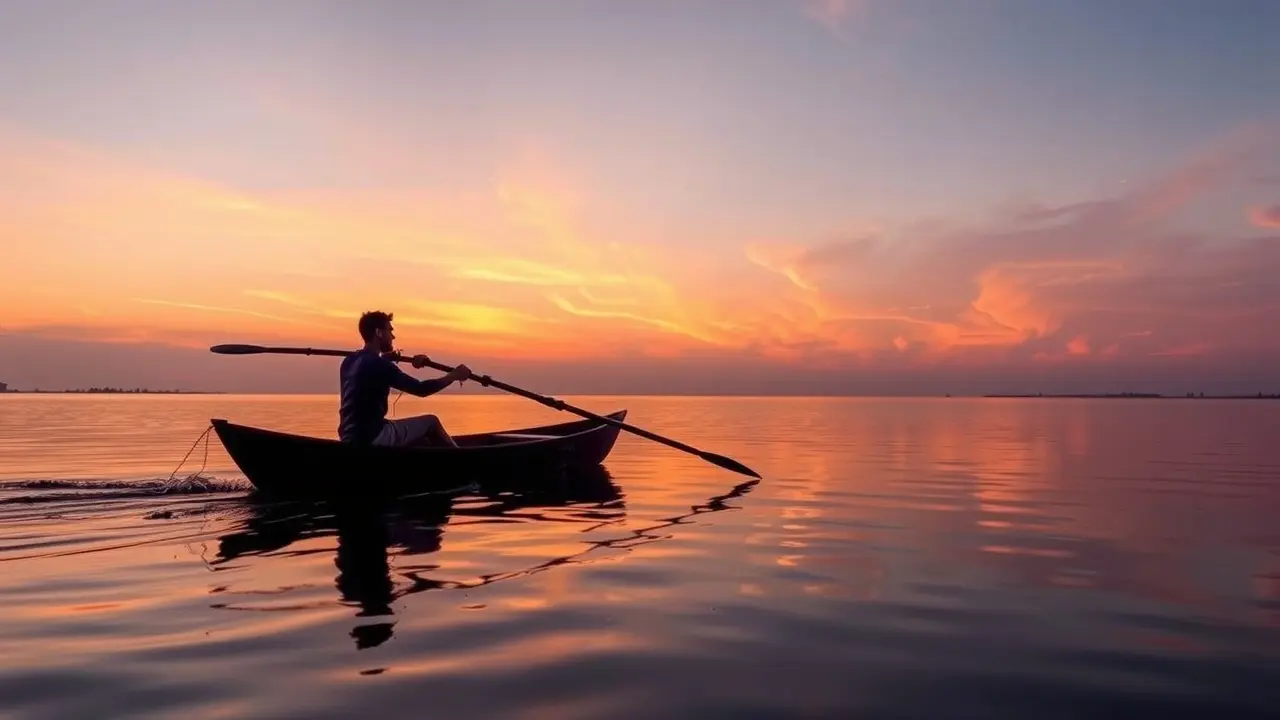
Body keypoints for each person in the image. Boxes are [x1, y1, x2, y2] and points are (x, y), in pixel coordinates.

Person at [338, 310, 472, 447]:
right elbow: (421, 389)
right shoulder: (382, 365)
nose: (393, 336)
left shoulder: (349, 361)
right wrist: (453, 376)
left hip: (348, 437)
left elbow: (372, 367)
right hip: (373, 437)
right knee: (432, 422)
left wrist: (389, 357)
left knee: (421, 440)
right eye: (390, 331)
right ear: (378, 333)